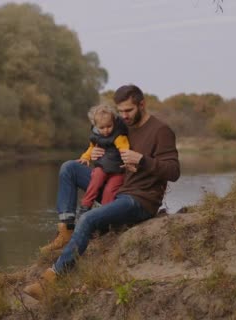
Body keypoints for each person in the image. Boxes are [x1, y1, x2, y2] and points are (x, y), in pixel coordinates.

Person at [25, 84, 180, 300]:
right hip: (117, 186)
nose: (124, 116)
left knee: (88, 218)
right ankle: (66, 230)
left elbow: (174, 171)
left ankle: (51, 279)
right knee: (69, 168)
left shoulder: (161, 131)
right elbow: (105, 143)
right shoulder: (121, 125)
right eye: (121, 111)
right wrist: (97, 155)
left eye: (129, 110)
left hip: (139, 199)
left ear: (142, 104)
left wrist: (143, 161)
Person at [76, 104, 130, 216]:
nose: (106, 130)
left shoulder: (119, 135)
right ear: (95, 126)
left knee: (110, 191)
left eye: (109, 126)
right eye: (102, 128)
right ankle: (85, 206)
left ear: (114, 122)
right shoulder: (95, 135)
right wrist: (85, 157)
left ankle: (104, 214)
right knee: (95, 180)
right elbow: (91, 147)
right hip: (102, 167)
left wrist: (127, 161)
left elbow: (124, 149)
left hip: (117, 170)